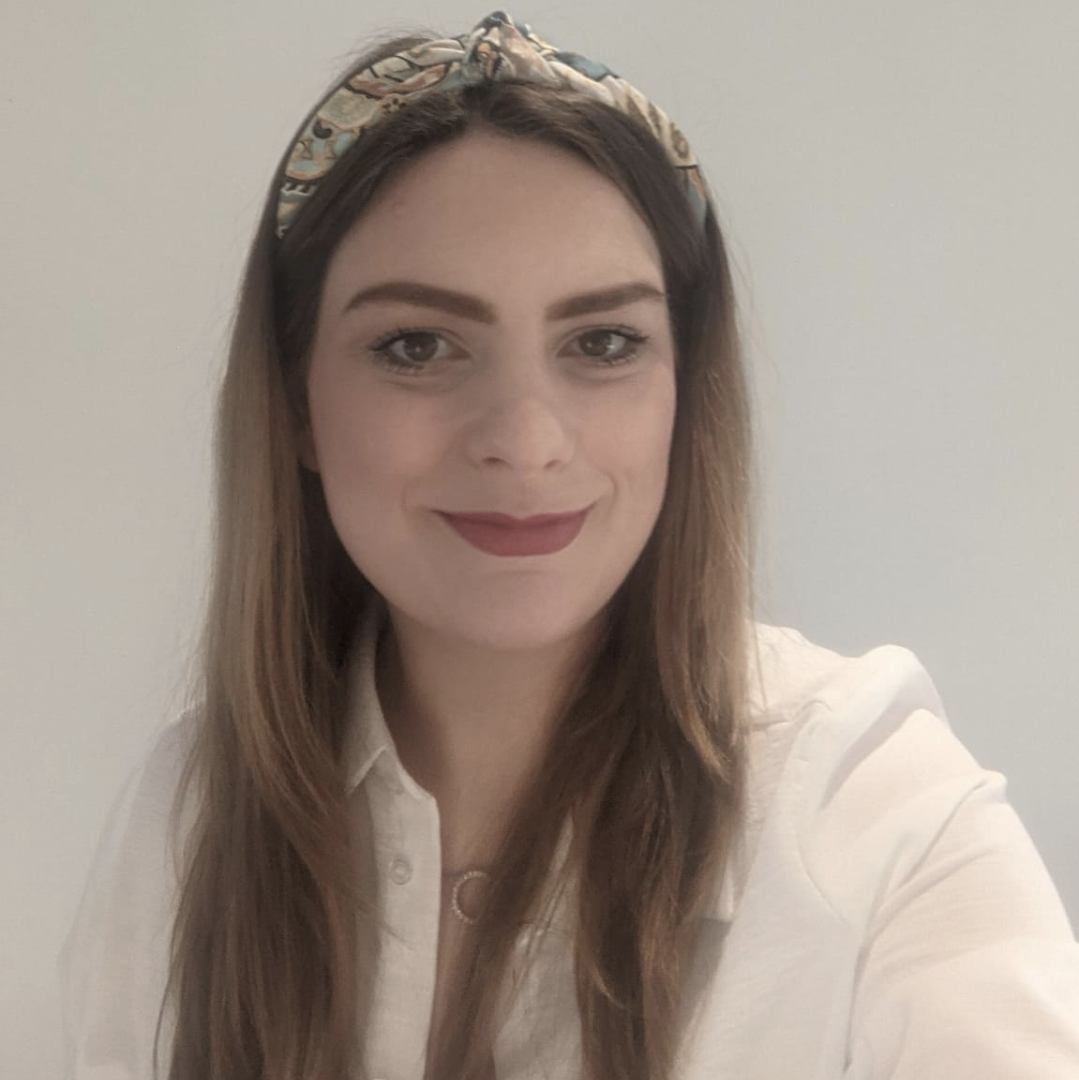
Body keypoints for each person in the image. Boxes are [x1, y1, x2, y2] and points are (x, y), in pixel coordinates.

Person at [59, 11, 1079, 1080]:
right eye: (417, 346)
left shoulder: (867, 809)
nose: (522, 442)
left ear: (684, 392)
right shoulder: (187, 814)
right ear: (296, 403)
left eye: (601, 343)